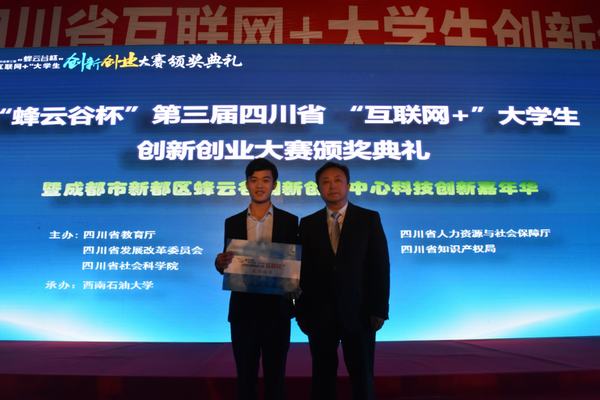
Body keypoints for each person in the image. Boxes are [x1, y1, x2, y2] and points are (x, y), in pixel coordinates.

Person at [296, 162, 390, 400]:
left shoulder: (369, 219)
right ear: (318, 188)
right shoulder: (307, 224)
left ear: (348, 185)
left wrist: (379, 309)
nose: (332, 186)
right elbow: (302, 271)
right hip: (319, 314)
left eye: (338, 180)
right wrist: (301, 312)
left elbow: (380, 266)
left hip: (360, 312)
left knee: (362, 375)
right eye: (325, 182)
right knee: (322, 375)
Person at [214, 158, 298, 400]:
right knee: (245, 378)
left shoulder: (290, 221)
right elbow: (230, 264)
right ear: (246, 184)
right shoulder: (232, 222)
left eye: (266, 180)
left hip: (277, 312)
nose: (259, 185)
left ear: (274, 185)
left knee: (276, 378)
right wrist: (219, 263)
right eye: (254, 180)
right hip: (243, 312)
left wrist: (295, 283)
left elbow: (294, 265)